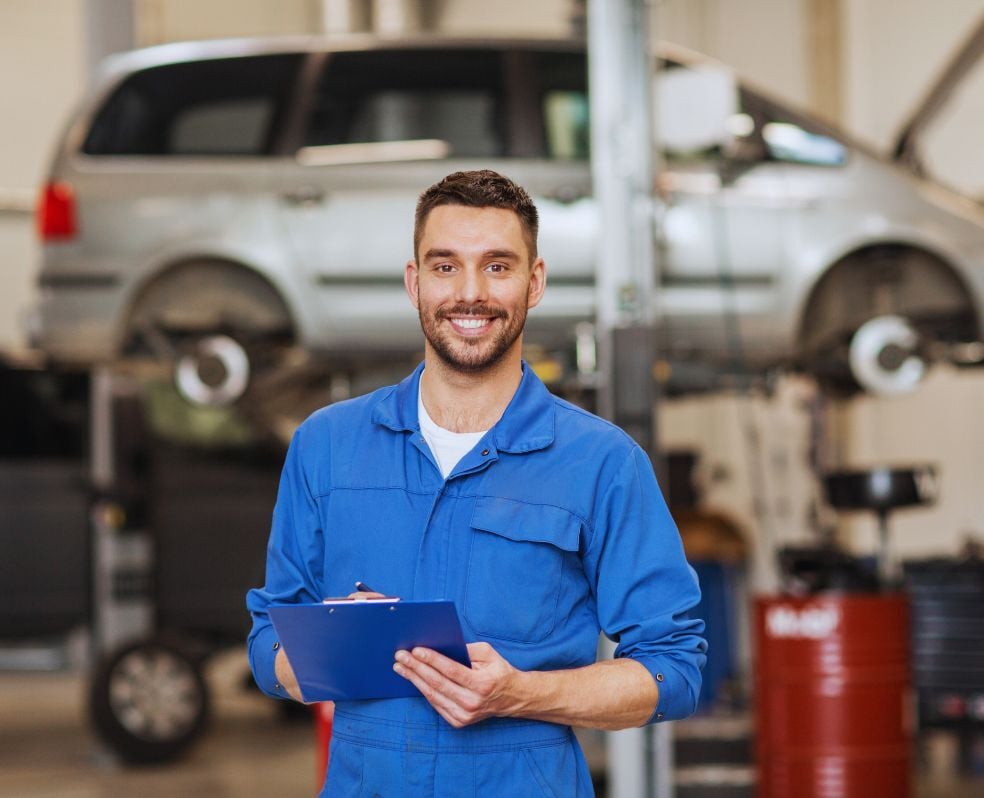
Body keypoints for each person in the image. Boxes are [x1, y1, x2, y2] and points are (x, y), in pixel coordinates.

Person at [247, 169, 706, 796]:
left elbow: (673, 669)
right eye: (444, 267)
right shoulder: (326, 447)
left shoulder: (602, 462)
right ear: (414, 283)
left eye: (496, 266)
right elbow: (269, 645)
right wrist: (338, 645)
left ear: (534, 282)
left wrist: (523, 692)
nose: (469, 294)